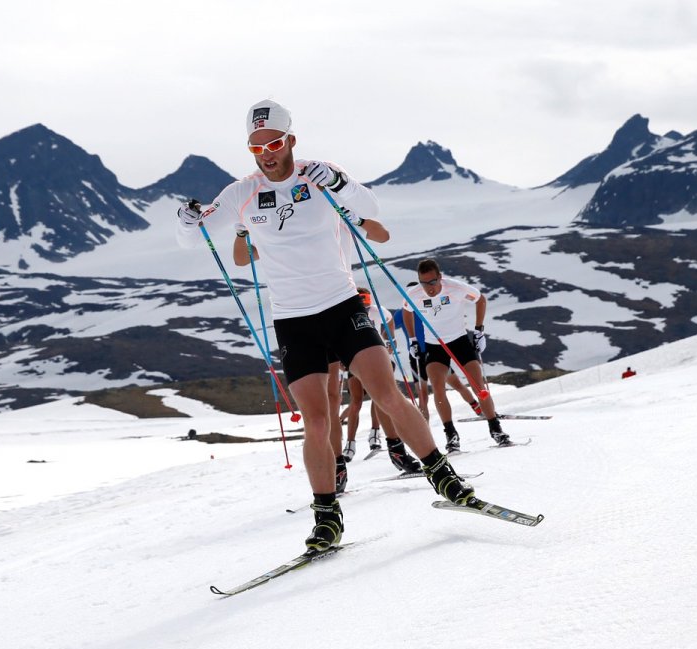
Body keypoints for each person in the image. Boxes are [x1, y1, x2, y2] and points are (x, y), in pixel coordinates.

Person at [178, 99, 475, 554]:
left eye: (274, 143)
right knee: (316, 421)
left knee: (387, 393)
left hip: (341, 305)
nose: (266, 153)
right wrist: (186, 219)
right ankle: (327, 516)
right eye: (256, 146)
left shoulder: (318, 173)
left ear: (290, 140)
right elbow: (194, 234)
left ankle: (443, 475)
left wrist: (340, 183)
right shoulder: (242, 193)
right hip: (293, 320)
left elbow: (371, 208)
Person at [233, 224, 350, 492]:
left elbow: (377, 232)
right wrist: (241, 233)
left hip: (335, 309)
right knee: (322, 410)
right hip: (299, 321)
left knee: (334, 399)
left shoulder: (318, 226)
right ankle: (336, 464)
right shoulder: (276, 237)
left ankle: (345, 460)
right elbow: (242, 259)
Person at [402, 258, 510, 453]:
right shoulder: (414, 293)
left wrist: (479, 331)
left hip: (459, 341)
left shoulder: (455, 288)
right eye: (424, 283)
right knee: (438, 387)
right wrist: (412, 340)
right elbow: (406, 311)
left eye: (433, 282)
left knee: (478, 385)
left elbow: (480, 299)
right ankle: (451, 434)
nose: (429, 288)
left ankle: (495, 428)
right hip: (435, 345)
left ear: (440, 278)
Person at [341, 288, 420, 473]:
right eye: (363, 305)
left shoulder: (380, 311)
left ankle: (376, 435)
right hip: (354, 360)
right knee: (356, 401)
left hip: (378, 359)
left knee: (380, 397)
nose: (365, 308)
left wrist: (388, 342)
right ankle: (350, 444)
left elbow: (390, 329)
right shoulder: (347, 313)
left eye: (367, 305)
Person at [395, 283, 482, 421]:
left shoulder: (426, 305)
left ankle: (478, 408)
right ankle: (425, 429)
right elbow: (389, 327)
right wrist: (389, 339)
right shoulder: (402, 313)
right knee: (423, 395)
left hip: (435, 351)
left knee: (456, 384)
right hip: (417, 356)